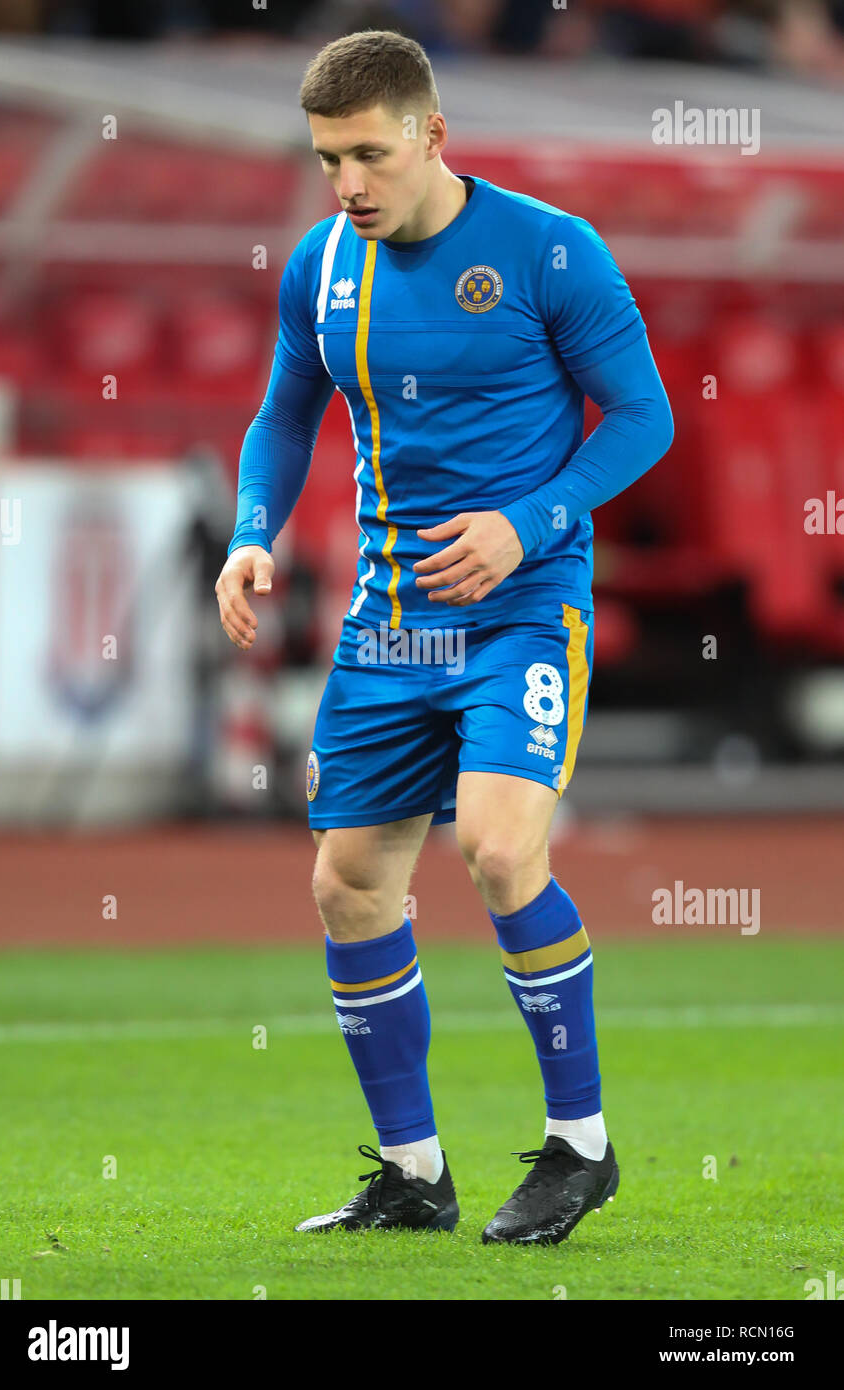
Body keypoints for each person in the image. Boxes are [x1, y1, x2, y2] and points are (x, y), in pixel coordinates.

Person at [215, 29, 674, 1245]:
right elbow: (281, 413)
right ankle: (414, 1175)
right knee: (348, 885)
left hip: (521, 611)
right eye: (326, 160)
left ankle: (579, 1145)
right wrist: (251, 530)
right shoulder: (319, 265)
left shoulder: (549, 250)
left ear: (432, 135)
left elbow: (642, 416)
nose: (348, 184)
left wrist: (528, 527)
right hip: (387, 628)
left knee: (496, 846)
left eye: (369, 153)